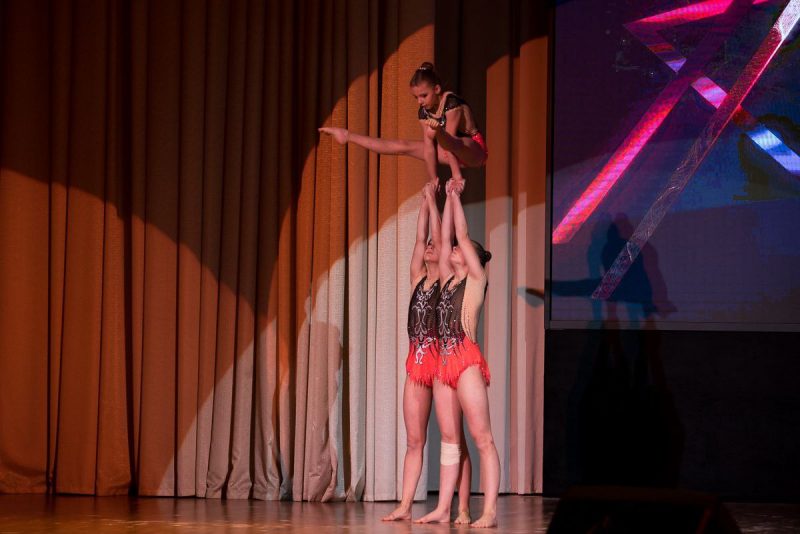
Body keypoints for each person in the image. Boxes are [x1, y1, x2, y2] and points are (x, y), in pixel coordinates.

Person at [382, 182, 472, 523]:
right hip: (418, 363)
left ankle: (461, 506)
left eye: (436, 245)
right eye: (428, 246)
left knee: (454, 438)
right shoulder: (417, 277)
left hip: (444, 363)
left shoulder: (447, 279)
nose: (430, 247)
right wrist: (424, 201)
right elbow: (422, 238)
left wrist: (436, 204)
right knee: (414, 440)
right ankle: (405, 504)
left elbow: (438, 236)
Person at [415, 179, 499, 528]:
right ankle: (443, 508)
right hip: (444, 364)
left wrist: (456, 198)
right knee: (450, 440)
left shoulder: (475, 278)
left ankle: (489, 511)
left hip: (465, 360)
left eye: (459, 249)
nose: (451, 249)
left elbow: (460, 235)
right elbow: (445, 236)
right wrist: (445, 199)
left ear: (470, 257)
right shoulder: (448, 279)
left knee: (482, 438)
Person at [318, 62, 488, 191]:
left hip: (473, 150)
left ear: (437, 89)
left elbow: (451, 144)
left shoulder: (451, 104)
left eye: (424, 95)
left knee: (449, 140)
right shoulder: (424, 112)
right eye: (416, 97)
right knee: (403, 145)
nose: (420, 101)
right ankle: (348, 135)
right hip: (447, 150)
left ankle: (438, 135)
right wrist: (433, 179)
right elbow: (429, 148)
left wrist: (457, 177)